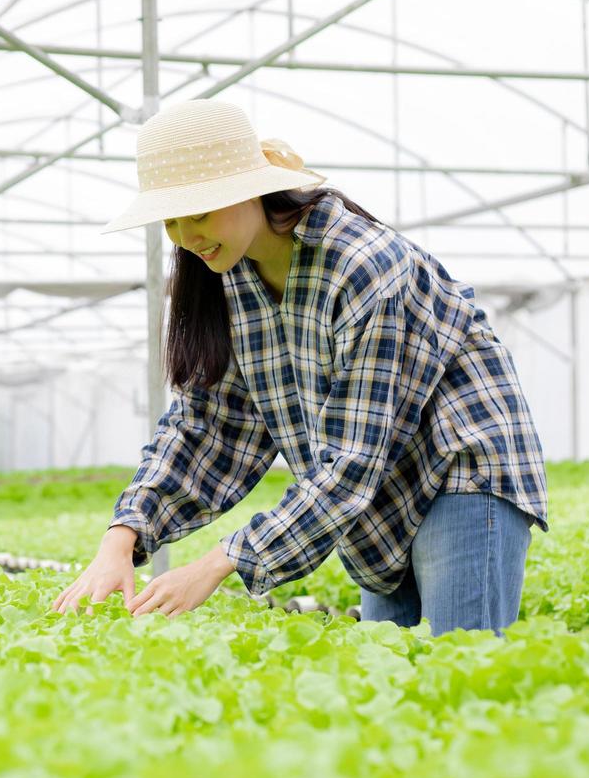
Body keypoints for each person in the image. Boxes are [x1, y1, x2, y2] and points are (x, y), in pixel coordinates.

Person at [51, 99, 548, 636]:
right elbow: (208, 425)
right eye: (171, 220)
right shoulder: (229, 274)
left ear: (252, 190)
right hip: (376, 498)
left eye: (199, 212)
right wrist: (122, 536)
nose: (186, 237)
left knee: (459, 676)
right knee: (392, 686)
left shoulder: (363, 264)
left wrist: (216, 565)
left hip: (459, 466)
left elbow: (352, 459)